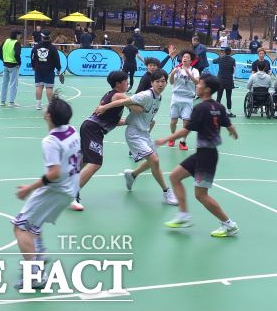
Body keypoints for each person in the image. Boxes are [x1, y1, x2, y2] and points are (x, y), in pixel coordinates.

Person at [156, 74, 239, 238]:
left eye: (200, 83)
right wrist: (233, 133)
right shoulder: (219, 107)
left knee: (201, 195)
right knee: (174, 176)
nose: (197, 85)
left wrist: (165, 139)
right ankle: (183, 215)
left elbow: (185, 130)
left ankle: (229, 224)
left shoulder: (200, 108)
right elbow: (229, 125)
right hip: (204, 153)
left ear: (207, 89)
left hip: (206, 156)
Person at [11, 97, 81, 289]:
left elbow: (54, 173)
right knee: (34, 223)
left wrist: (29, 188)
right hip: (70, 188)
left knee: (20, 226)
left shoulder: (50, 141)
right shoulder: (72, 131)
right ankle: (39, 254)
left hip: (55, 190)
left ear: (48, 115)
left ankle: (35, 275)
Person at [94, 69, 178, 206]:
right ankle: (166, 191)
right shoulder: (145, 95)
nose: (160, 84)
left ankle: (132, 175)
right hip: (134, 133)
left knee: (152, 162)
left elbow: (145, 116)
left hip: (144, 133)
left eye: (163, 81)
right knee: (154, 160)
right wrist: (104, 107)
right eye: (157, 81)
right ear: (152, 83)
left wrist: (149, 124)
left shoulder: (159, 97)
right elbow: (123, 101)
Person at [70, 71, 128, 211]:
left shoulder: (109, 95)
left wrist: (129, 121)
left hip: (89, 127)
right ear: (118, 84)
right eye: (126, 81)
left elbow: (113, 121)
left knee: (85, 159)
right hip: (93, 129)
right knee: (95, 163)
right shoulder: (119, 95)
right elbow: (134, 102)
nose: (128, 83)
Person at [168, 50, 200, 151]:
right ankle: (172, 137)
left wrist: (188, 74)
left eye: (187, 57)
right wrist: (172, 74)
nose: (185, 58)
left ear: (191, 61)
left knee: (186, 122)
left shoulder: (194, 70)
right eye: (184, 57)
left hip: (188, 99)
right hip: (176, 97)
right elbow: (171, 82)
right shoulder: (177, 69)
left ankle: (183, 141)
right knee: (173, 122)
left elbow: (197, 82)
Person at [31, 30, 61, 110]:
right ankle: (50, 106)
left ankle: (38, 105)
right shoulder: (53, 48)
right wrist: (58, 68)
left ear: (42, 37)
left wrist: (33, 66)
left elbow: (33, 57)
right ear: (49, 37)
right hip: (49, 70)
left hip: (38, 70)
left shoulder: (36, 47)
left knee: (39, 86)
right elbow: (57, 60)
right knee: (49, 88)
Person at [0, 30, 22, 107]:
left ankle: (2, 101)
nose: (20, 36)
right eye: (19, 35)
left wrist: (3, 59)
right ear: (17, 35)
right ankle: (11, 102)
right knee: (13, 84)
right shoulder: (17, 43)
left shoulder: (6, 41)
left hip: (5, 64)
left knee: (4, 83)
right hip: (13, 65)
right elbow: (17, 54)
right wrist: (19, 62)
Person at [213, 46, 236, 117]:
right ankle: (229, 112)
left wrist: (220, 57)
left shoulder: (220, 58)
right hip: (229, 80)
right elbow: (233, 70)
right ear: (230, 52)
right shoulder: (233, 60)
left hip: (220, 80)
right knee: (228, 97)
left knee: (219, 97)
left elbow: (214, 61)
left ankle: (216, 112)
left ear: (224, 52)